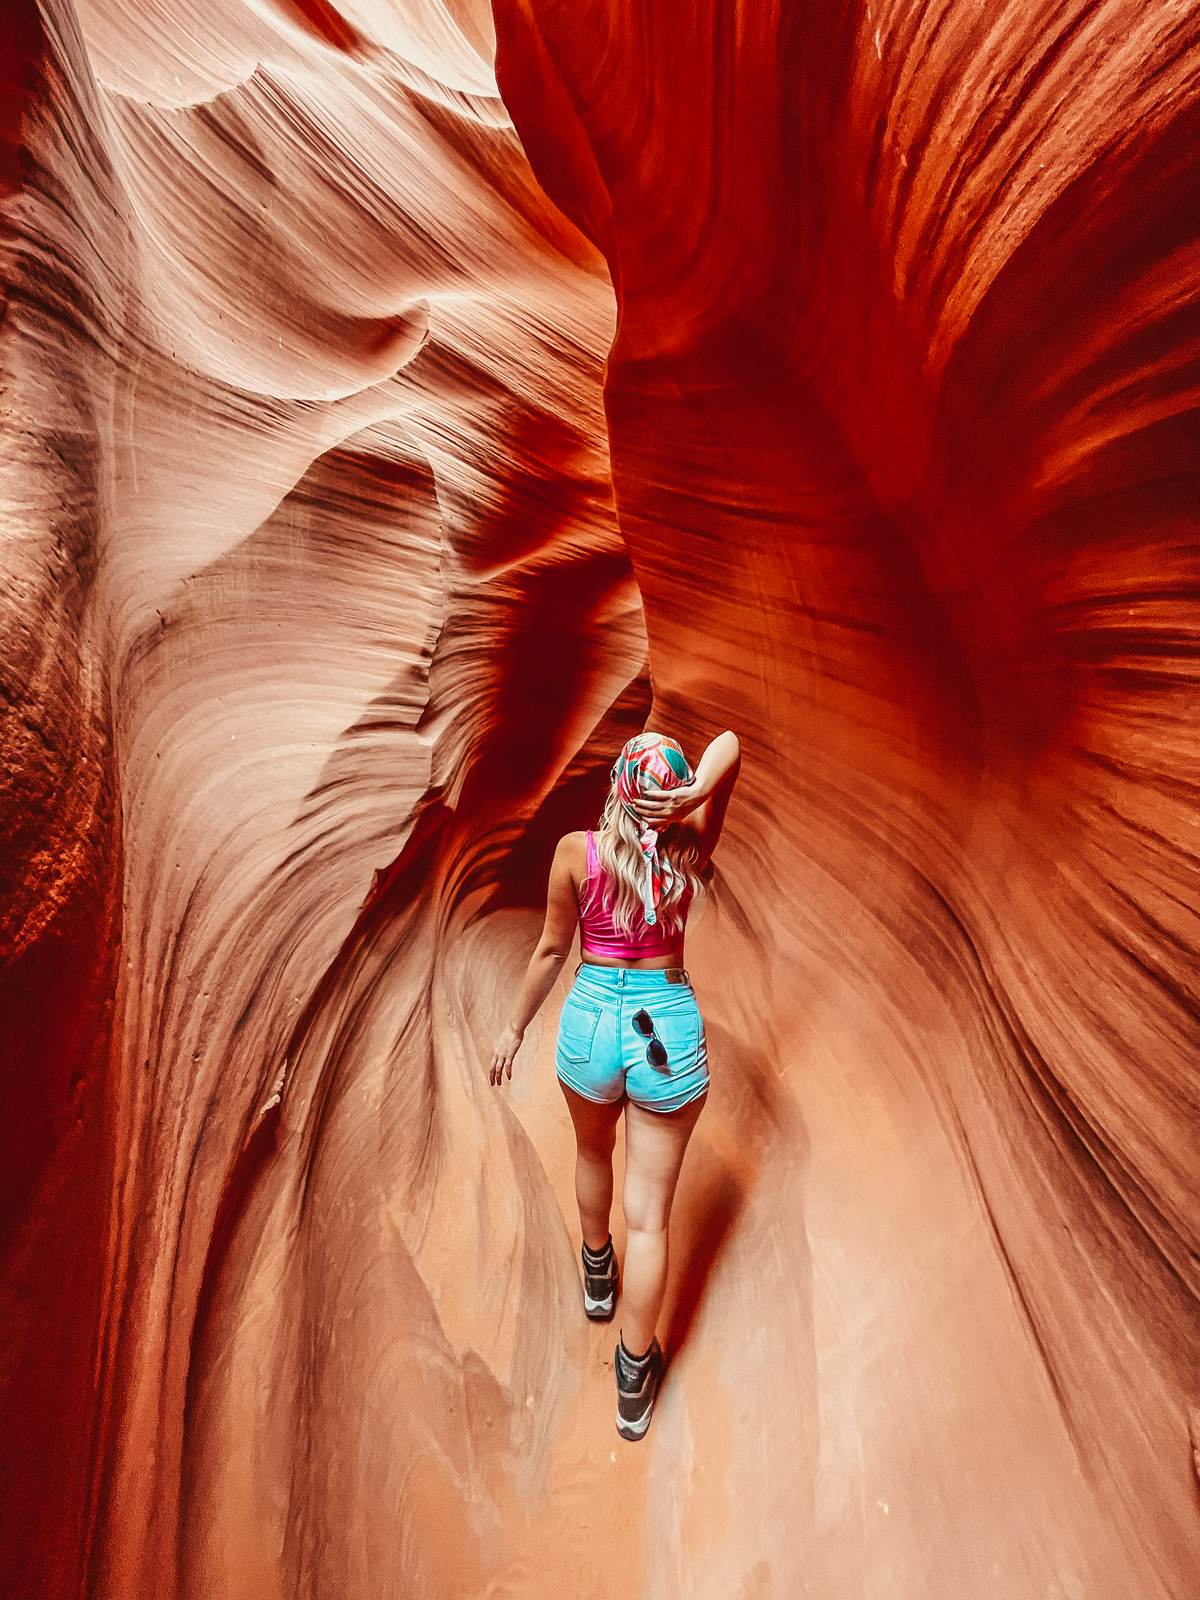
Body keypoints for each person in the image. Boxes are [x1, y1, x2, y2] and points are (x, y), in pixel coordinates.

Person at [489, 728, 741, 1440]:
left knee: (593, 1154)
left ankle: (597, 1276)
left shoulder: (579, 852)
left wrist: (514, 1029)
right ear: (671, 796)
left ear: (618, 789)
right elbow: (731, 747)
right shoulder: (692, 846)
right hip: (667, 1027)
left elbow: (549, 949)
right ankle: (634, 1381)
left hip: (592, 1022)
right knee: (651, 1219)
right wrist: (696, 793)